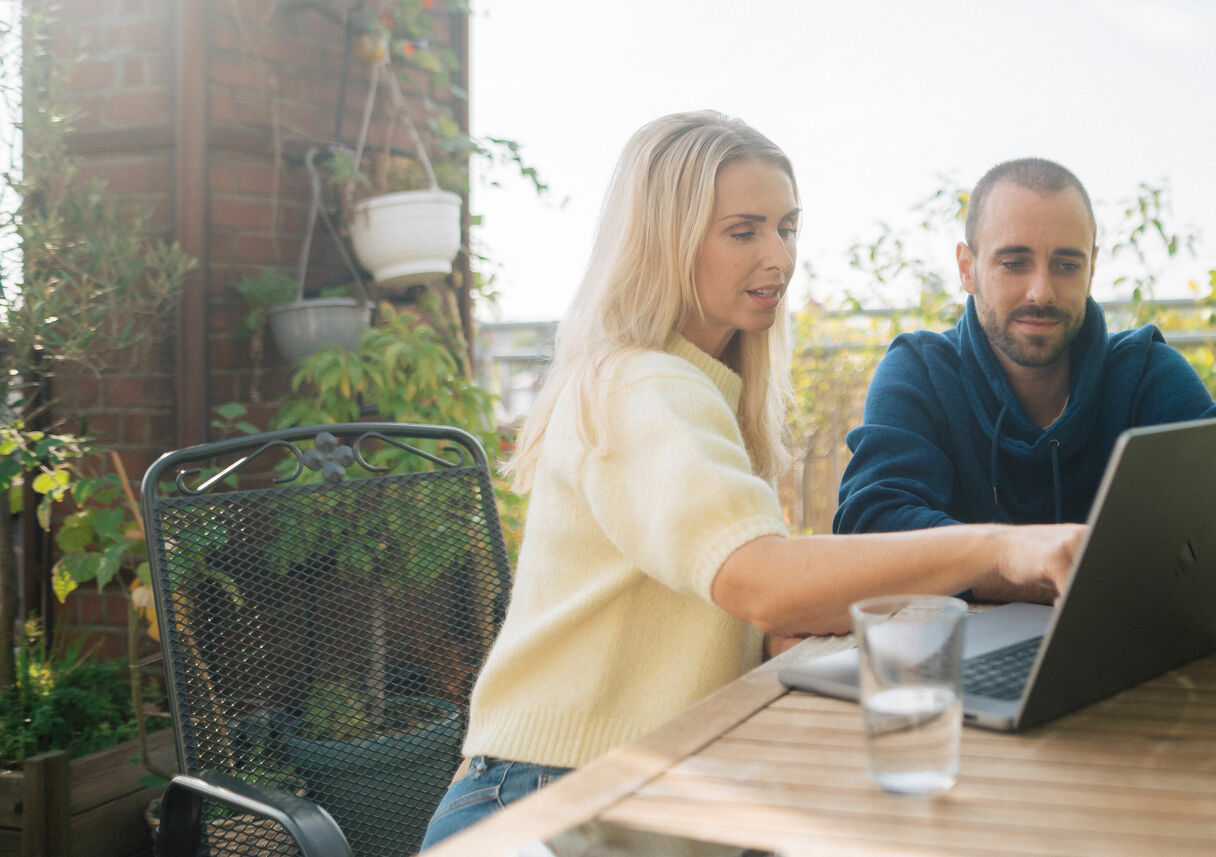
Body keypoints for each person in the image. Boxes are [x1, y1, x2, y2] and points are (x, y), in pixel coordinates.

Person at [418, 113, 1083, 849]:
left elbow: (731, 588)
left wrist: (760, 635)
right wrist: (997, 547)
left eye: (787, 228)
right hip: (548, 801)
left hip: (655, 783)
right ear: (665, 243)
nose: (780, 256)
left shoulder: (699, 389)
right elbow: (756, 575)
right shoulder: (636, 385)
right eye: (744, 232)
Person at [833, 157, 1216, 604]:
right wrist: (1026, 564)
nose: (1041, 292)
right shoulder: (920, 373)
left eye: (1066, 265)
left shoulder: (1148, 373)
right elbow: (870, 530)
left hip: (1127, 656)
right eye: (1014, 262)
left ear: (1092, 266)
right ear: (967, 268)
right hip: (953, 663)